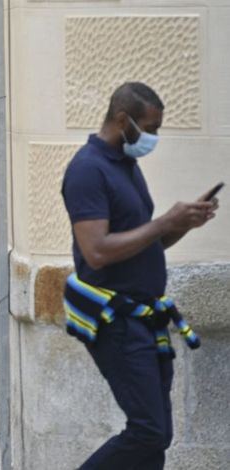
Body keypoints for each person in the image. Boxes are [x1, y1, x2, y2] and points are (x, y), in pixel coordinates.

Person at [61, 82, 218, 469]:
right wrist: (165, 219)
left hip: (146, 320)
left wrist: (183, 224)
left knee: (157, 436)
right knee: (148, 431)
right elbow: (97, 251)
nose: (154, 137)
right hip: (117, 323)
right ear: (122, 120)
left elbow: (142, 243)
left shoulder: (126, 166)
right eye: (151, 128)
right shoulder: (87, 170)